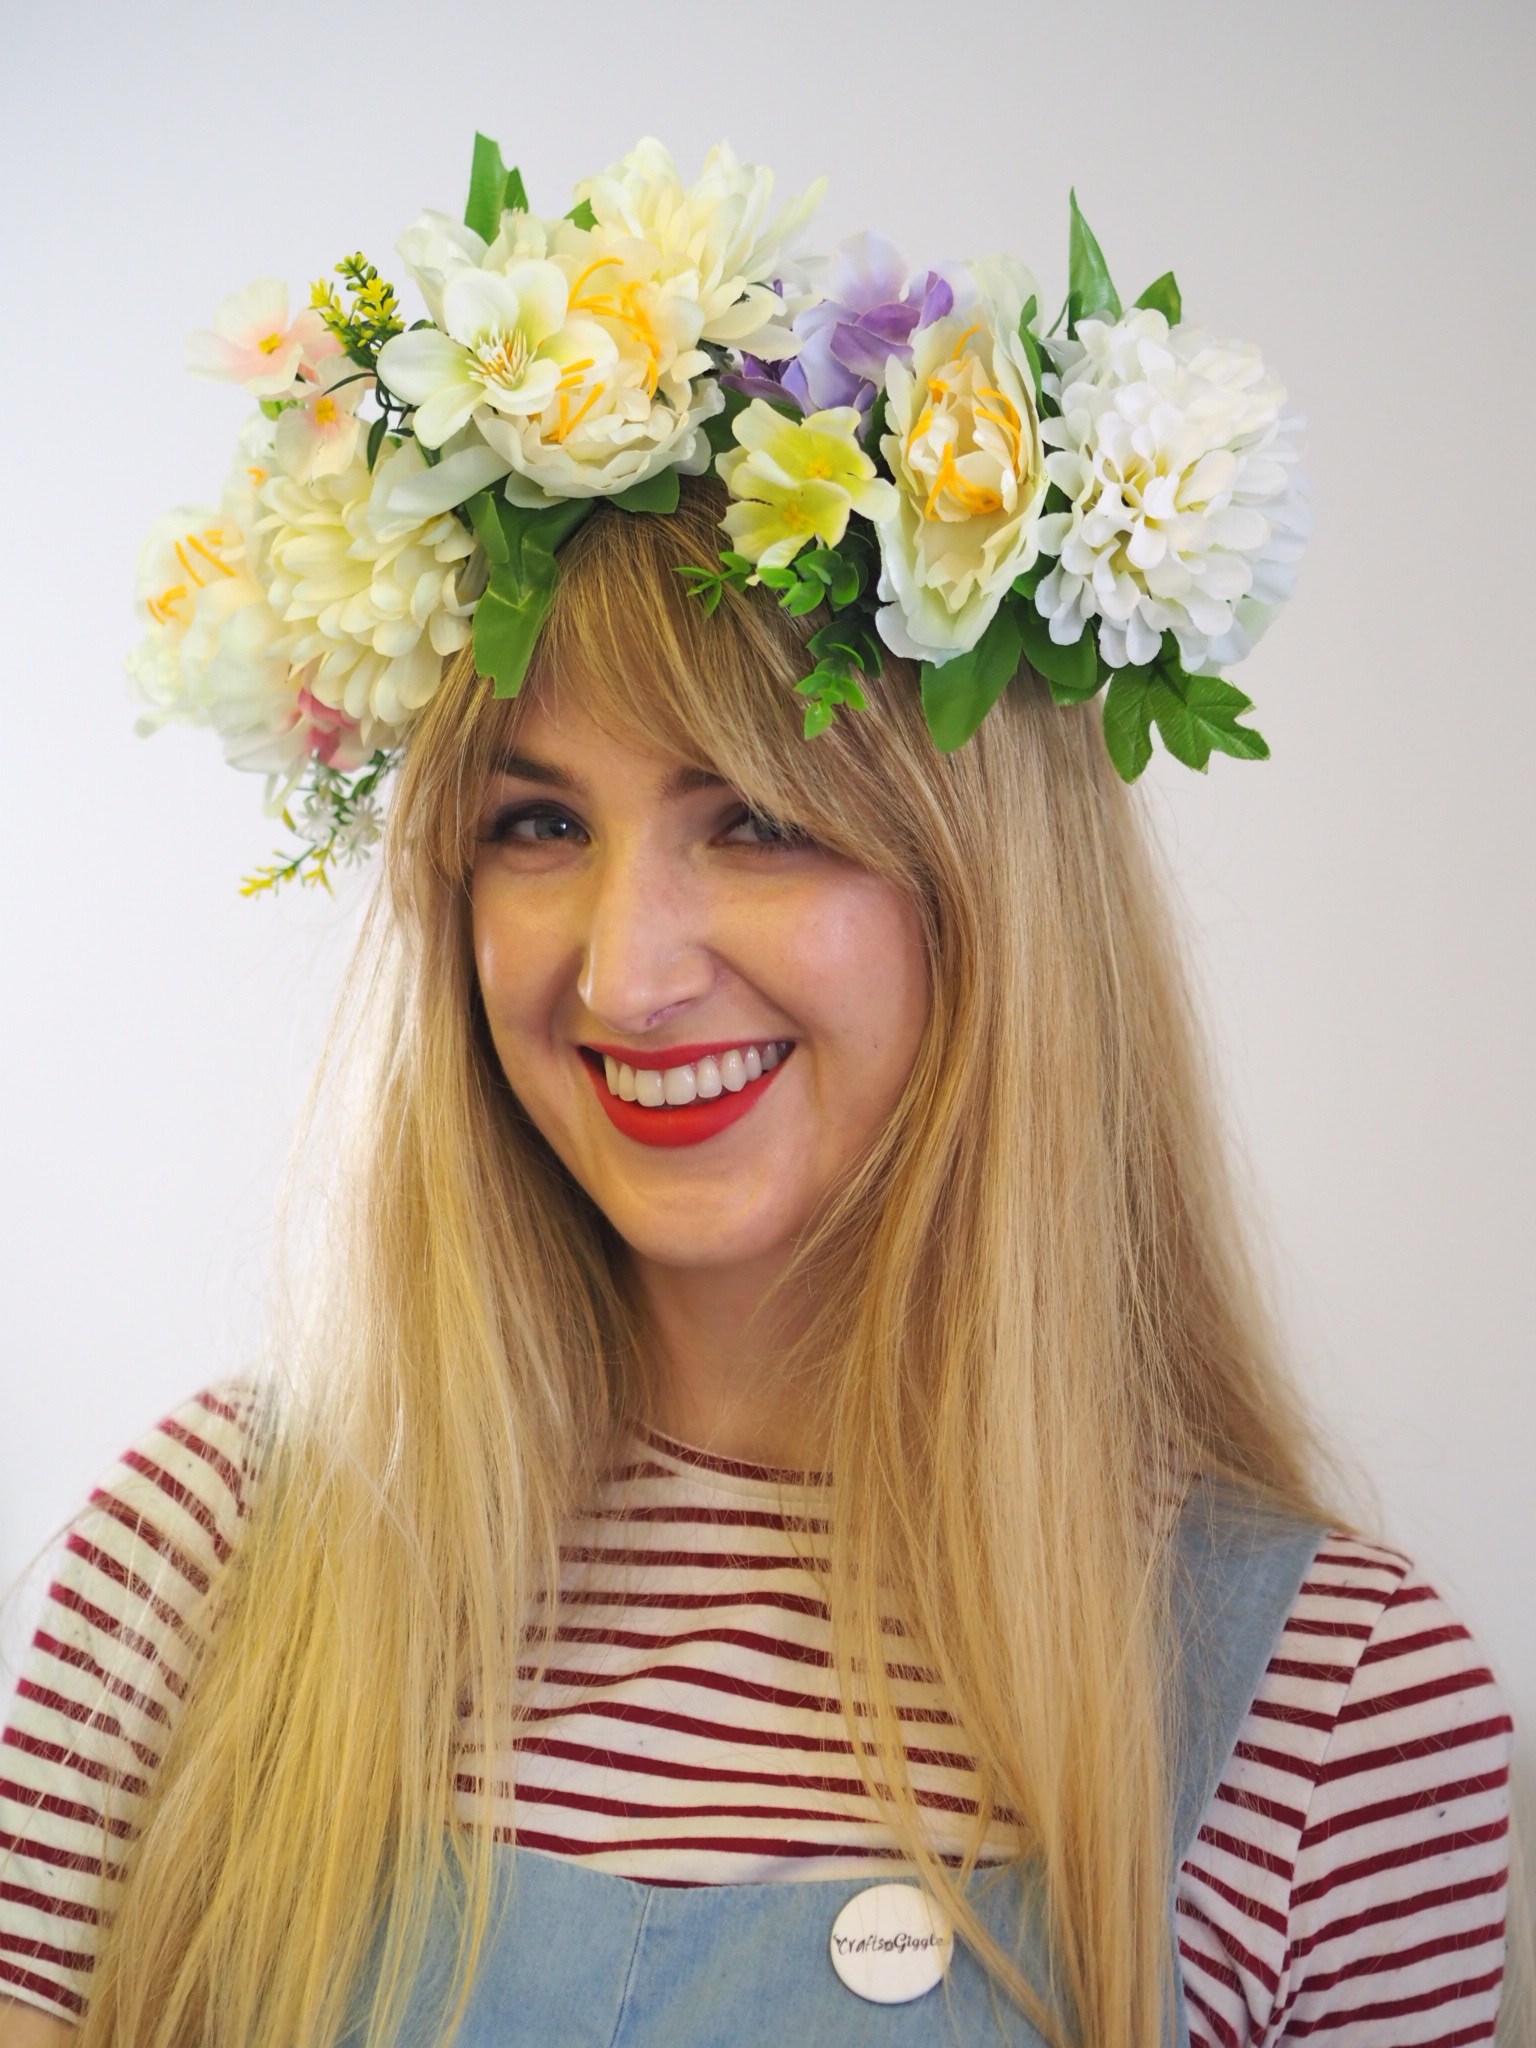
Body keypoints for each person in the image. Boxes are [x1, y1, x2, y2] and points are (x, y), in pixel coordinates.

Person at [0, 136, 1518, 2048]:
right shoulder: (196, 1570)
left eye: (767, 820)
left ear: (997, 907)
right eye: (537, 823)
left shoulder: (1335, 1711)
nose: (622, 971)